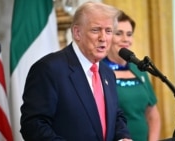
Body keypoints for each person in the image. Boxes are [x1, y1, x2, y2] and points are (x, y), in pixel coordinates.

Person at [20, 2, 133, 141]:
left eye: (108, 31)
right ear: (77, 33)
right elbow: (33, 126)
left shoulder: (107, 72)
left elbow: (115, 115)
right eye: (96, 30)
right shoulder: (49, 69)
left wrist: (122, 137)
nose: (103, 38)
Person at [102, 11, 161, 141]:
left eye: (129, 34)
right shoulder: (99, 70)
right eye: (119, 33)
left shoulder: (139, 69)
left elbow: (152, 115)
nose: (125, 39)